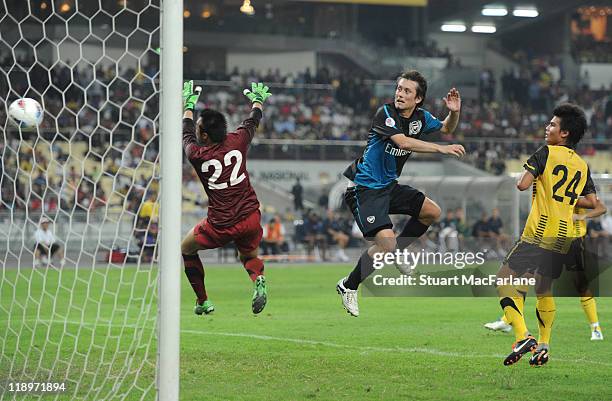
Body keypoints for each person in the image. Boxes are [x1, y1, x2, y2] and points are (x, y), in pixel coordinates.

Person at [336, 69, 465, 317]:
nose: (400, 94)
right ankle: (348, 286)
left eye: (407, 91)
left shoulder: (421, 117)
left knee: (432, 212)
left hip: (388, 186)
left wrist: (454, 112)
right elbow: (404, 143)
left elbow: (447, 128)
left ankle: (400, 251)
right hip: (364, 188)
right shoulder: (385, 113)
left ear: (418, 99)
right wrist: (442, 150)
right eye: (399, 89)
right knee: (385, 242)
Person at [496, 103, 598, 366]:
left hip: (538, 233)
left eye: (552, 124)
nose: (547, 127)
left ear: (564, 133)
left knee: (503, 280)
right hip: (564, 236)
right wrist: (567, 197)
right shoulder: (582, 165)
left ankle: (522, 336)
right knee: (543, 288)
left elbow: (522, 185)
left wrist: (535, 176)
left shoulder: (545, 153)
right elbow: (592, 201)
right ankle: (544, 345)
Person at [180, 81, 272, 315]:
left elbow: (186, 133)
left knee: (187, 248)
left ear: (205, 134)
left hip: (221, 224)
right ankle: (258, 278)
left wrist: (188, 105)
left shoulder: (197, 155)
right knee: (248, 256)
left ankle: (202, 301)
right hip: (250, 217)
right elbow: (253, 119)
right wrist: (257, 101)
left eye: (201, 128)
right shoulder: (238, 140)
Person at [485, 197, 607, 340]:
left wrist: (581, 216)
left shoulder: (578, 187)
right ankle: (508, 320)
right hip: (550, 239)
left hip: (574, 241)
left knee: (580, 285)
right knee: (529, 277)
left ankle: (595, 328)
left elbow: (601, 207)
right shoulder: (552, 188)